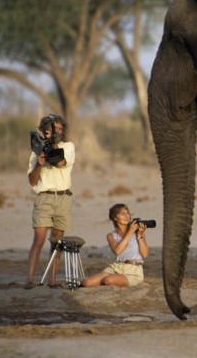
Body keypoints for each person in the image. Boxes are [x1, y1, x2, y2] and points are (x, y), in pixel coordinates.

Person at [25, 114, 75, 289]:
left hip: (63, 197)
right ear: (43, 132)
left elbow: (60, 162)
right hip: (44, 198)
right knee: (38, 240)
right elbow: (32, 181)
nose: (56, 133)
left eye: (59, 129)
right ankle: (30, 280)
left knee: (56, 242)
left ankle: (52, 280)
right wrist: (39, 163)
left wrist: (49, 150)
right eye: (51, 130)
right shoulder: (36, 152)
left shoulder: (67, 147)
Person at [82, 204, 149, 287]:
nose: (126, 216)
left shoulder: (137, 232)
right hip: (117, 267)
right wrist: (130, 231)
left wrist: (140, 235)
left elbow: (145, 254)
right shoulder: (111, 236)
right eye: (122, 213)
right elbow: (117, 251)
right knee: (87, 283)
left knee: (108, 280)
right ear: (115, 217)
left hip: (133, 271)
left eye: (127, 213)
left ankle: (115, 279)